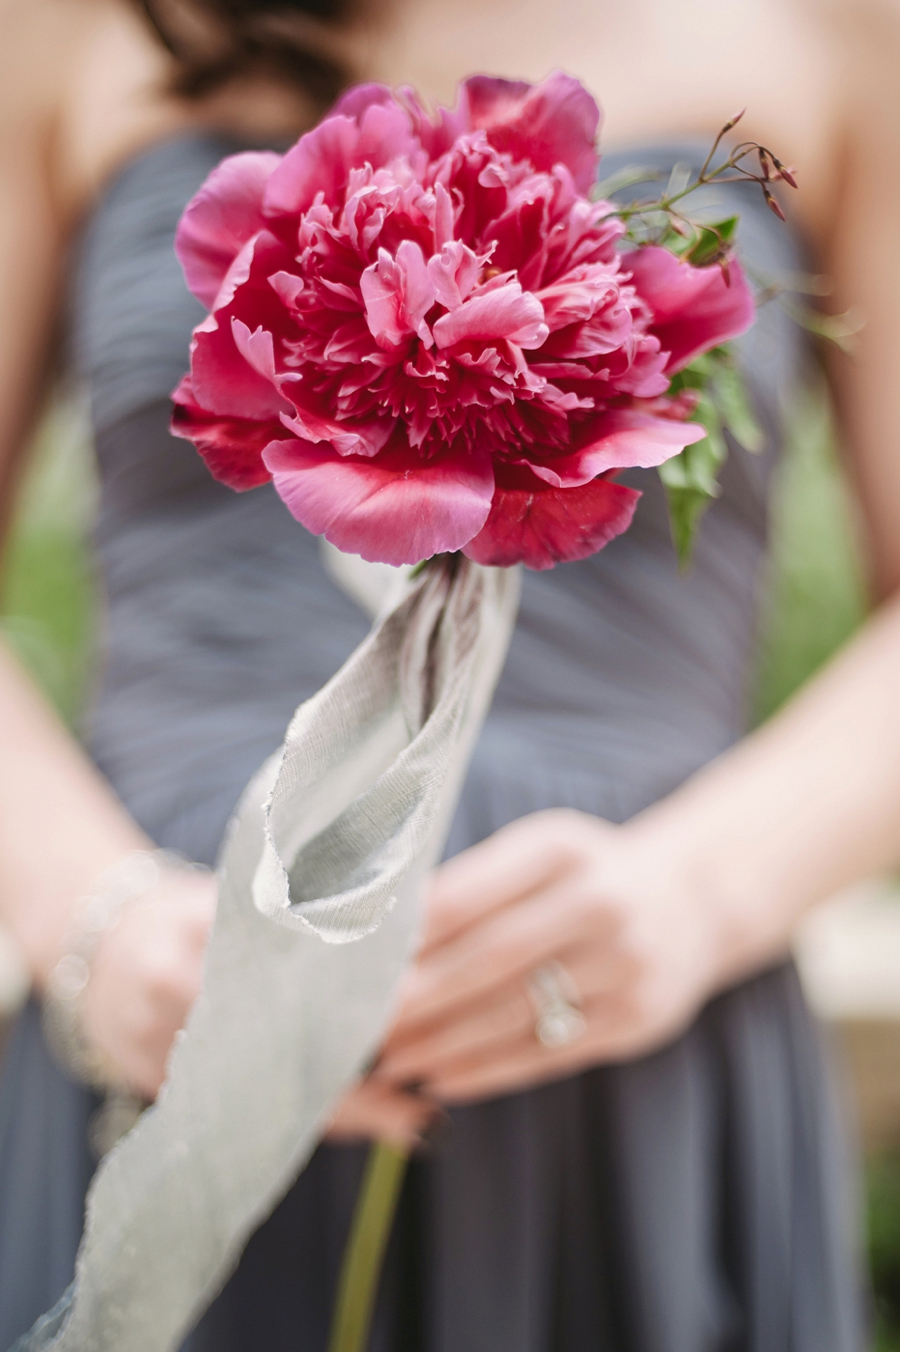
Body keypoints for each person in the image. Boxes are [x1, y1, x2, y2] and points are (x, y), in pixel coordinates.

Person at [1, 0, 899, 1346]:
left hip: (638, 1045)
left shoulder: (843, 31)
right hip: (163, 1026)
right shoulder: (59, 28)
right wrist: (90, 915)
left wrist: (700, 897)